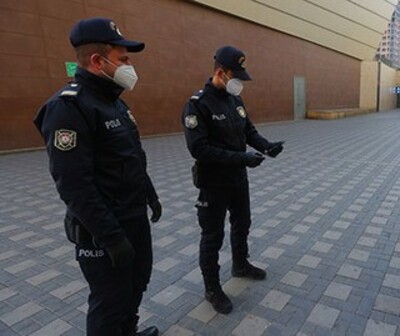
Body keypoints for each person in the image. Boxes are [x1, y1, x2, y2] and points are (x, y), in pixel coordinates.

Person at [34, 18, 161, 336]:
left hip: (133, 217)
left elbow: (132, 157)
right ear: (97, 61)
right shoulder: (68, 108)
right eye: (124, 59)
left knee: (136, 283)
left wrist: (150, 195)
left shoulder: (112, 102)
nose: (129, 66)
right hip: (102, 229)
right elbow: (74, 185)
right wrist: (111, 238)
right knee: (109, 300)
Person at [181, 46, 284, 314]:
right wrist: (242, 158)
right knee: (212, 236)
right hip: (213, 183)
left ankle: (240, 264)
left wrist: (267, 147)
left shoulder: (234, 99)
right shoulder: (197, 104)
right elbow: (199, 149)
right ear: (220, 72)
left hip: (237, 179)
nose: (240, 81)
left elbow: (248, 130)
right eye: (235, 74)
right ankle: (212, 288)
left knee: (242, 224)